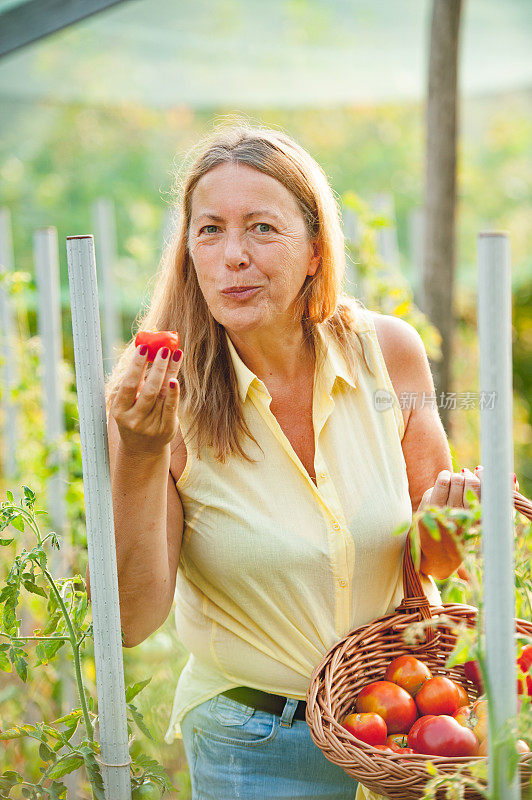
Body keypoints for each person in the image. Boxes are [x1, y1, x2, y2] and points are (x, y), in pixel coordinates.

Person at [94, 124, 481, 800]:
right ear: (187, 253)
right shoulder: (160, 402)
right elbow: (131, 620)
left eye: (262, 229)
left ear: (314, 252)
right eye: (209, 230)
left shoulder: (388, 355)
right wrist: (140, 453)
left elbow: (431, 567)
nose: (232, 256)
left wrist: (450, 530)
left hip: (397, 724)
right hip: (257, 744)